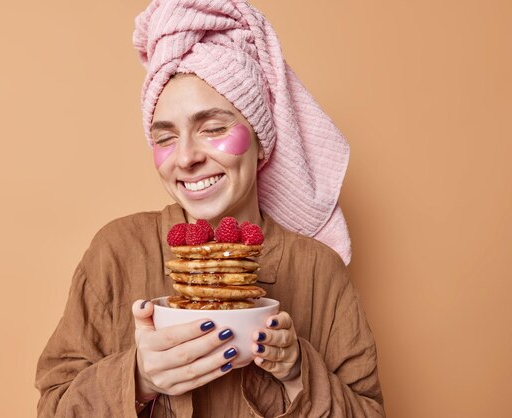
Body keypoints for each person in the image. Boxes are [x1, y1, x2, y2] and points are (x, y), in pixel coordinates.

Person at [35, 1, 384, 416]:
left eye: (214, 129)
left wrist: (296, 373)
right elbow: (53, 407)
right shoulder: (117, 251)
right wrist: (140, 377)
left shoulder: (317, 270)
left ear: (260, 143)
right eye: (165, 138)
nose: (185, 158)